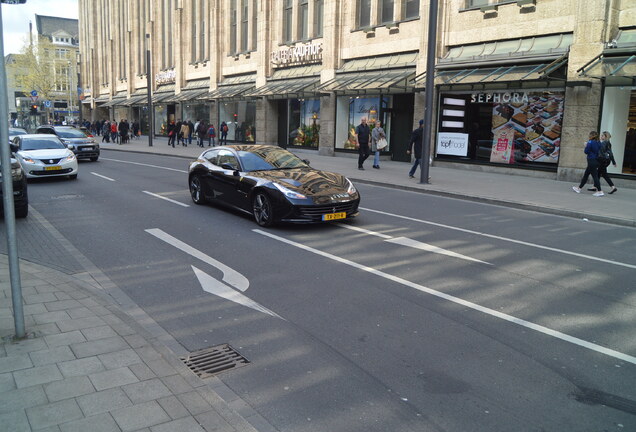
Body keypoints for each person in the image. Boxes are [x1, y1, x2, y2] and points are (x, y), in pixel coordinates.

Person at [572, 131, 604, 196]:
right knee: (586, 175)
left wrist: (586, 146)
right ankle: (579, 188)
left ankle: (600, 191)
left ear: (591, 136)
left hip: (591, 160)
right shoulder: (599, 142)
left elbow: (586, 151)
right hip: (596, 161)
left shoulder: (590, 142)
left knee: (595, 176)